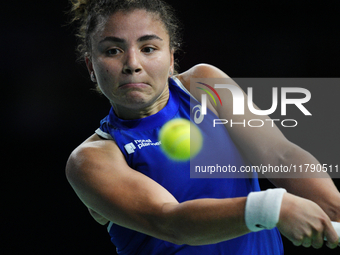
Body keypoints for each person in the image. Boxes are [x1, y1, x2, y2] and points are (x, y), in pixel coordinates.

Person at [65, 0, 340, 254]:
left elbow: (279, 155)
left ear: (171, 58)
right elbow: (171, 220)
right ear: (91, 65)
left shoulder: (204, 84)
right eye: (113, 51)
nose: (132, 64)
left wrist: (335, 208)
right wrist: (271, 207)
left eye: (148, 48)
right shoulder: (92, 159)